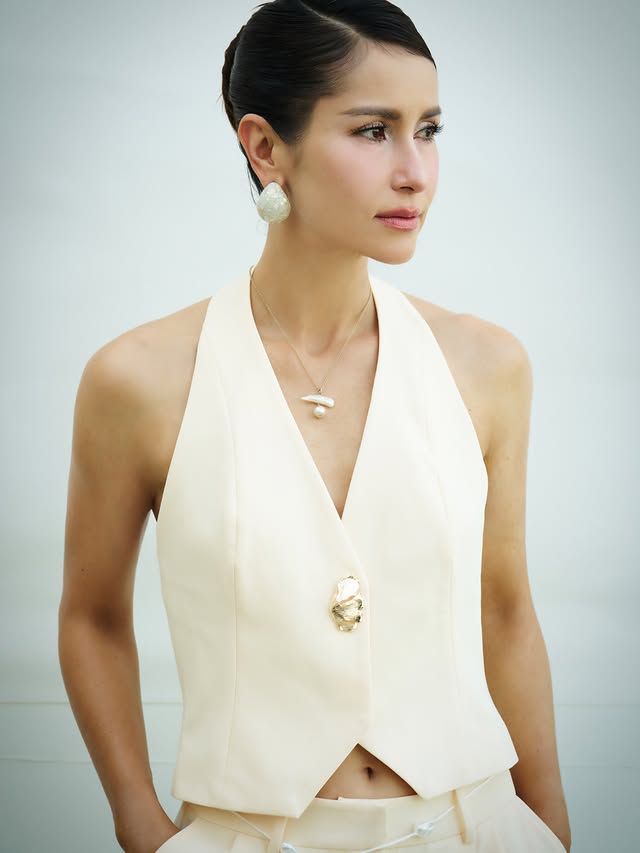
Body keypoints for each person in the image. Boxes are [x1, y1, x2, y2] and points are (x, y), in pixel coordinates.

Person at [58, 1, 571, 852]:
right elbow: (92, 616)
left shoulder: (486, 365)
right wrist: (140, 825)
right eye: (374, 131)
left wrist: (550, 823)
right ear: (265, 146)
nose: (415, 171)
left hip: (475, 827)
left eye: (429, 130)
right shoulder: (139, 379)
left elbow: (506, 609)